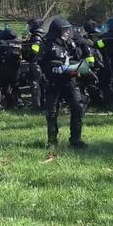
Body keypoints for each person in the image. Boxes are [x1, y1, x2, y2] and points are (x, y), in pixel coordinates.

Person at [40, 18, 88, 150]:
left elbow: (80, 60)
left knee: (78, 108)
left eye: (68, 29)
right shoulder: (47, 44)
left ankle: (76, 139)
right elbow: (41, 63)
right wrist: (51, 69)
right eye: (65, 30)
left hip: (70, 81)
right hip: (53, 83)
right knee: (52, 112)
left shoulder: (71, 44)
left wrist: (77, 66)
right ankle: (52, 141)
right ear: (57, 31)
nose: (68, 32)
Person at [0, 28, 21, 110]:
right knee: (13, 87)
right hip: (15, 70)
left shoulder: (3, 44)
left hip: (3, 69)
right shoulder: (18, 43)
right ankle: (17, 103)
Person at [21, 19, 46, 110]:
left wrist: (26, 53)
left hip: (36, 64)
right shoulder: (40, 35)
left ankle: (37, 106)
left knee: (35, 85)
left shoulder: (36, 37)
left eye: (30, 26)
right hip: (38, 64)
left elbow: (34, 52)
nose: (28, 28)